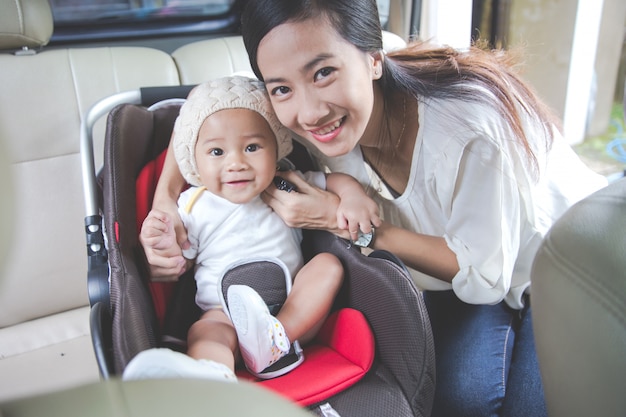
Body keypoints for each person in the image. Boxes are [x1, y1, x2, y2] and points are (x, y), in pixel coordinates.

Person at [142, 1, 608, 415]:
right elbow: (206, 118)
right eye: (281, 88)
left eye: (323, 72)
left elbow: (484, 275)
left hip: (564, 267)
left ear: (374, 58)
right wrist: (164, 201)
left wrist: (341, 222)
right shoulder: (308, 125)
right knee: (461, 396)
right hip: (461, 278)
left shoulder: (472, 133)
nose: (308, 112)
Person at [124, 75, 380, 382]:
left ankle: (274, 340)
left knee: (328, 265)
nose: (236, 164)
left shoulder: (285, 184)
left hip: (293, 312)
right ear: (194, 161)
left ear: (276, 147)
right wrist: (163, 242)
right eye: (217, 152)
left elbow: (333, 181)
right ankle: (213, 375)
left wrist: (352, 197)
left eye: (252, 147)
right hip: (224, 314)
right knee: (205, 332)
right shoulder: (193, 205)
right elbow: (179, 257)